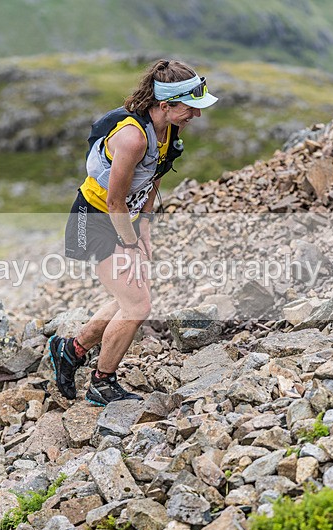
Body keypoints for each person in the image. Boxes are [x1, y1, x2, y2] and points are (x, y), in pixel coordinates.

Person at [49, 59, 218, 406]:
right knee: (137, 304)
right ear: (166, 104)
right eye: (191, 108)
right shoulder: (131, 138)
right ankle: (102, 383)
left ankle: (72, 349)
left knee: (129, 295)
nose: (196, 116)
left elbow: (153, 180)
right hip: (93, 219)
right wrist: (130, 245)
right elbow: (114, 200)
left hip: (124, 217)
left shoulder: (168, 130)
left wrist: (146, 232)